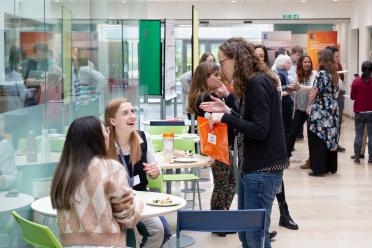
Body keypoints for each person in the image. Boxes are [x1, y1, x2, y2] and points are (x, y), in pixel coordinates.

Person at [200, 38, 287, 248]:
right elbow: (251, 120)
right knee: (247, 235)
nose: (221, 69)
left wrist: (225, 118)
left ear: (236, 59)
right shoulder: (254, 82)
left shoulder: (257, 83)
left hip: (262, 170)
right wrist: (228, 109)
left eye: (222, 62)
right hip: (254, 169)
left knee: (255, 236)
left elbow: (260, 130)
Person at [50, 116, 143, 247]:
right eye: (105, 130)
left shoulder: (63, 171)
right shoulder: (111, 168)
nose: (108, 134)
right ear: (98, 138)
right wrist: (138, 202)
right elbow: (128, 218)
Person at [105, 98, 165, 248]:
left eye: (132, 111)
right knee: (123, 238)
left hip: (139, 199)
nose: (132, 116)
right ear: (113, 121)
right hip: (112, 203)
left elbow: (155, 170)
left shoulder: (143, 138)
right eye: (125, 113)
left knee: (158, 230)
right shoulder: (104, 142)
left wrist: (155, 171)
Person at [188, 62, 235, 237]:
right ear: (204, 78)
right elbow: (212, 124)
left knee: (229, 182)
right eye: (214, 75)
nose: (218, 77)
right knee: (223, 183)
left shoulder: (210, 95)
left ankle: (222, 217)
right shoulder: (205, 97)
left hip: (221, 145)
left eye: (218, 74)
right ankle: (218, 221)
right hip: (218, 147)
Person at [254, 46, 299, 234]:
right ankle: (258, 225)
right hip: (253, 136)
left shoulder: (270, 77)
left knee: (276, 176)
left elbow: (277, 101)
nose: (259, 59)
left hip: (272, 131)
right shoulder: (247, 80)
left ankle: (283, 212)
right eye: (256, 56)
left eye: (262, 56)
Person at [307, 49, 340, 176]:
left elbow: (314, 90)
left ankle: (319, 169)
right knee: (330, 137)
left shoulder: (321, 74)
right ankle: (329, 166)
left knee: (318, 137)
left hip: (320, 109)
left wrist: (309, 104)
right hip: (332, 108)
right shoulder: (335, 74)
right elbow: (337, 92)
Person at [286, 56, 317, 170]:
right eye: (305, 62)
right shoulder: (297, 75)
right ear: (301, 63)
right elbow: (294, 87)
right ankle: (286, 158)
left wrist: (300, 87)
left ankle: (311, 160)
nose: (307, 64)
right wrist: (291, 88)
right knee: (293, 133)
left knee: (311, 136)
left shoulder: (314, 74)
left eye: (309, 62)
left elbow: (313, 88)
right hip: (299, 108)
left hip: (310, 109)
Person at [180, 52, 215, 117]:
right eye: (209, 61)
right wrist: (191, 90)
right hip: (194, 106)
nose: (211, 63)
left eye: (213, 61)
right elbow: (183, 78)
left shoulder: (211, 73)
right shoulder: (198, 71)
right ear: (203, 61)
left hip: (205, 106)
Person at [350, 60, 372, 164]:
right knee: (371, 136)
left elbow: (352, 97)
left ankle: (357, 157)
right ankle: (371, 158)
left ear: (362, 69)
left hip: (359, 112)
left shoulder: (356, 82)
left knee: (359, 135)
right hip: (371, 112)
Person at [325, 46, 346, 152]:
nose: (338, 58)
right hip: (332, 97)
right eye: (336, 56)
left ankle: (336, 142)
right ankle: (330, 142)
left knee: (339, 121)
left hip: (340, 96)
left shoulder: (339, 65)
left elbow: (342, 78)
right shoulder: (326, 69)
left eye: (339, 56)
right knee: (331, 121)